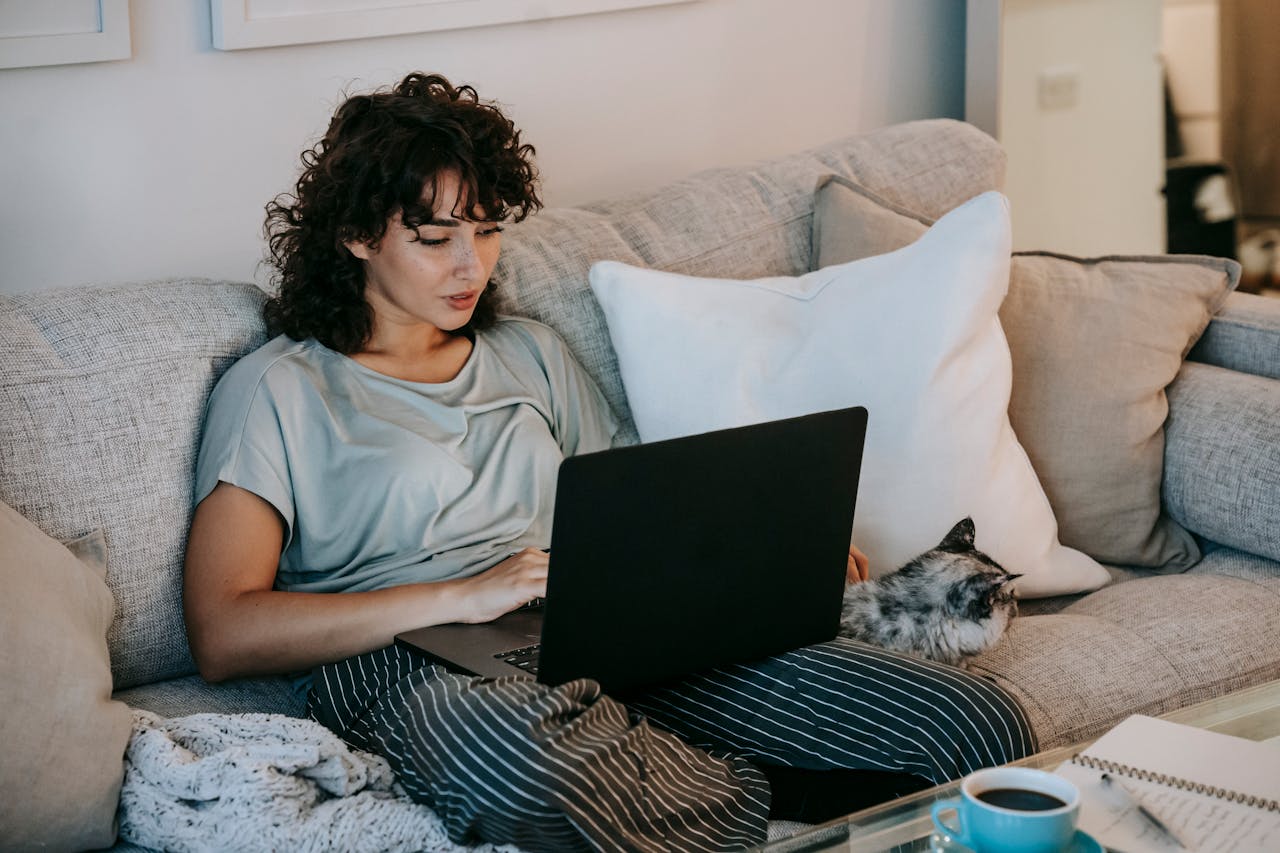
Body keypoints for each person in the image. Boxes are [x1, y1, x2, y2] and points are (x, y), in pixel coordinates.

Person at [184, 72, 1037, 852]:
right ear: (358, 235)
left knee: (976, 723)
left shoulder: (530, 352)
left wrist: (770, 555)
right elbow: (224, 631)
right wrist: (458, 595)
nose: (470, 265)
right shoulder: (281, 390)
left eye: (485, 232)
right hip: (408, 656)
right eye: (436, 237)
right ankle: (778, 792)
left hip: (597, 626)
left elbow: (644, 512)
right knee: (530, 768)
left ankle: (666, 772)